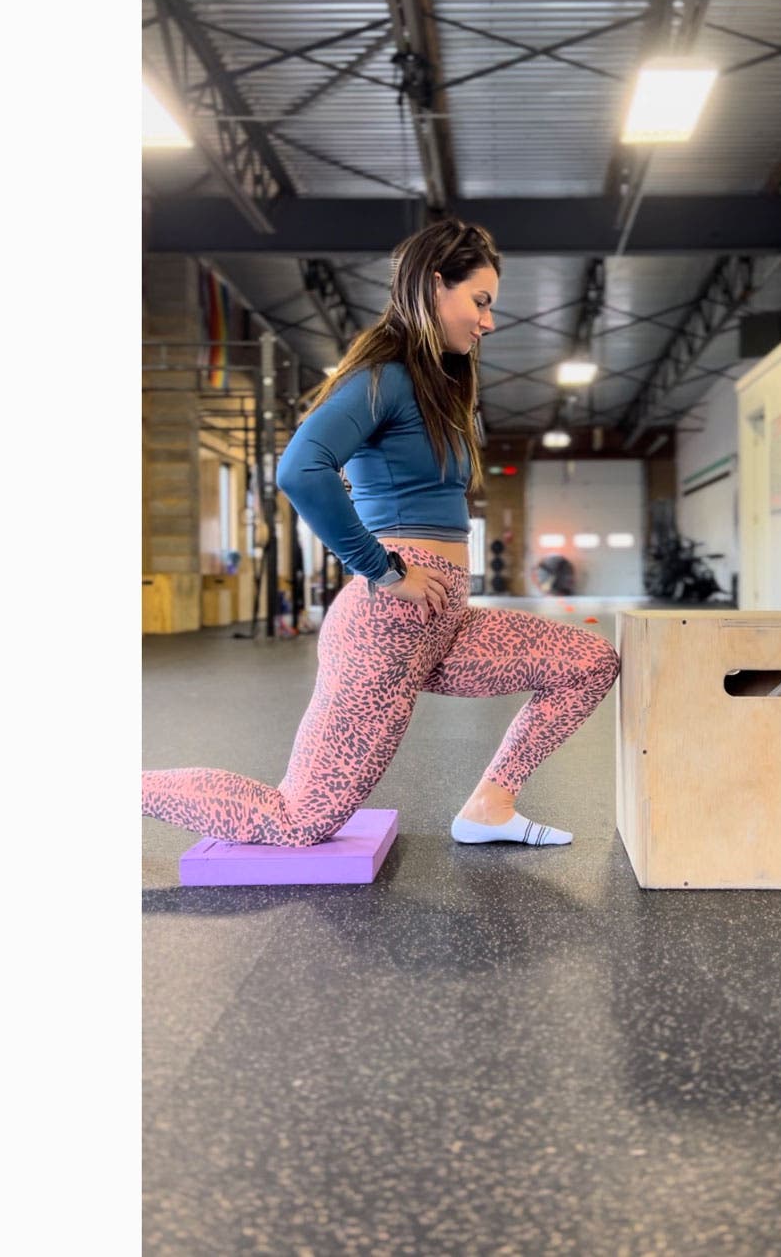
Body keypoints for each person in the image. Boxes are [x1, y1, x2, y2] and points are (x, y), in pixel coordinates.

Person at [141, 219, 622, 849]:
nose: (488, 322)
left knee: (588, 662)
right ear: (434, 286)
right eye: (480, 302)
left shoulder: (434, 389)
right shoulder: (385, 377)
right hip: (386, 626)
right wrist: (384, 569)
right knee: (299, 820)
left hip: (442, 619)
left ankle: (489, 807)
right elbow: (300, 469)